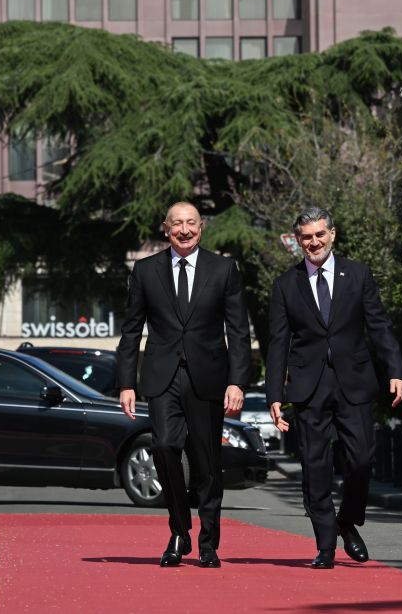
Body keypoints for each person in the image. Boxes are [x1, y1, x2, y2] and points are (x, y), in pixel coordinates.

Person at [266, 207, 402, 569]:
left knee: (361, 460)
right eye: (306, 237)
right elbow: (278, 343)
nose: (314, 242)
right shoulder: (286, 285)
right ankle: (325, 545)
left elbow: (379, 325)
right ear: (298, 241)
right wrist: (274, 395)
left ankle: (346, 520)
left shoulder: (358, 274)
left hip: (354, 382)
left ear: (332, 234)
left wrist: (395, 370)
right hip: (308, 387)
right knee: (315, 467)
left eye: (319, 234)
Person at [116, 201, 251, 568]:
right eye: (177, 224)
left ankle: (208, 543)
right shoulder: (145, 271)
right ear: (166, 229)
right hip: (162, 377)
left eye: (191, 223)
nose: (185, 230)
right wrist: (126, 383)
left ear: (201, 226)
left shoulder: (223, 269)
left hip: (208, 377)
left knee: (207, 463)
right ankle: (179, 530)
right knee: (163, 446)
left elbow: (239, 331)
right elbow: (131, 331)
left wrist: (237, 382)